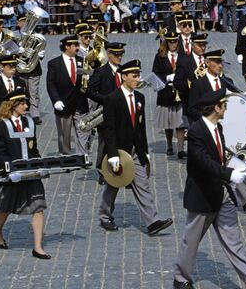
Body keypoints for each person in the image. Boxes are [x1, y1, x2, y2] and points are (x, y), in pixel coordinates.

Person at [173, 88, 246, 289]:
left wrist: (237, 164)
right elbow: (204, 162)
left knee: (233, 240)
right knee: (191, 240)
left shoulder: (218, 128)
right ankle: (181, 277)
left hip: (222, 194)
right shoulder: (196, 132)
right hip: (202, 195)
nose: (226, 108)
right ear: (216, 108)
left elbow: (220, 157)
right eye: (224, 105)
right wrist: (230, 173)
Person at [99, 59, 174, 235]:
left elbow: (141, 129)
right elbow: (108, 129)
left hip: (135, 150)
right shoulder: (112, 99)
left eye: (139, 74)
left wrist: (145, 152)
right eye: (134, 75)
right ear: (124, 77)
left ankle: (152, 221)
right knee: (113, 184)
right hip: (118, 150)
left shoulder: (139, 98)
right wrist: (112, 155)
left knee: (143, 184)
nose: (138, 78)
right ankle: (104, 216)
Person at [0, 89, 50, 259]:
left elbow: (34, 148)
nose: (26, 106)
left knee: (38, 207)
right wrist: (10, 169)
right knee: (5, 207)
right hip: (12, 174)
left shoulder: (29, 123)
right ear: (12, 105)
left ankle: (37, 247)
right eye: (22, 103)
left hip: (30, 173)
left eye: (26, 102)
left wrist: (39, 164)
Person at [87, 41, 126, 185]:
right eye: (116, 54)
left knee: (122, 140)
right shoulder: (100, 71)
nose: (119, 57)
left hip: (122, 112)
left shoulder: (124, 71)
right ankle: (102, 172)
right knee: (104, 142)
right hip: (107, 112)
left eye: (121, 54)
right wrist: (107, 100)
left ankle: (122, 168)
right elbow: (90, 91)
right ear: (108, 54)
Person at [46, 35, 91, 155]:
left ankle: (83, 156)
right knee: (64, 133)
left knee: (83, 130)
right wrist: (56, 100)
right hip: (64, 102)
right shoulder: (54, 63)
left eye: (78, 45)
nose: (78, 47)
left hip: (80, 102)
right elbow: (50, 84)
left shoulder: (82, 61)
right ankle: (65, 156)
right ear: (67, 46)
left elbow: (86, 80)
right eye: (75, 45)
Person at [153, 32, 185, 156]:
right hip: (165, 92)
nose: (173, 44)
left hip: (180, 92)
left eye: (175, 41)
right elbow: (155, 73)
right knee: (168, 122)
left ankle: (181, 148)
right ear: (166, 42)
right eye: (170, 42)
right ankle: (169, 144)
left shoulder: (182, 55)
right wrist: (167, 77)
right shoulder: (160, 56)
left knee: (180, 121)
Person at [14, 14, 45, 125]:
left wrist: (41, 55)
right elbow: (8, 50)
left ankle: (35, 114)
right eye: (22, 22)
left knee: (33, 93)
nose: (24, 24)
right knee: (19, 92)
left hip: (33, 69)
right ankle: (19, 113)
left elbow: (38, 51)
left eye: (26, 22)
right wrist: (16, 50)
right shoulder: (14, 35)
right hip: (18, 69)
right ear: (18, 23)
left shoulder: (35, 36)